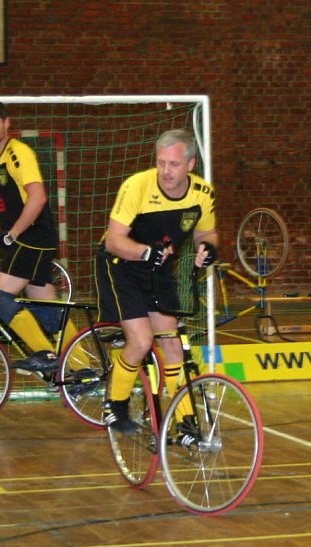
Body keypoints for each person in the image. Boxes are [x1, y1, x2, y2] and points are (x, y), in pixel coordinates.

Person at [96, 129, 218, 435]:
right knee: (141, 339)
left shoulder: (202, 194)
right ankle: (115, 404)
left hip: (158, 268)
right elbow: (113, 240)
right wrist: (144, 252)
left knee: (173, 347)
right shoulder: (136, 186)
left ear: (190, 164)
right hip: (121, 265)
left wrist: (208, 248)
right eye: (161, 162)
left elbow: (206, 232)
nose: (165, 171)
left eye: (173, 164)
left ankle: (185, 422)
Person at [0, 99, 82, 371]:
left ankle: (45, 354)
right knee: (48, 306)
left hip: (33, 236)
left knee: (0, 296)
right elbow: (11, 200)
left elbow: (37, 198)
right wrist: (4, 225)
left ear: (6, 123)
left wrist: (12, 234)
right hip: (26, 236)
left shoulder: (18, 152)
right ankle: (84, 370)